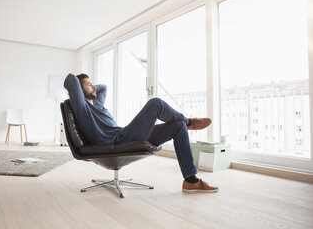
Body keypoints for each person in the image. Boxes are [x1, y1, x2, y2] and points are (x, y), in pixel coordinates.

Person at [64, 73, 218, 193]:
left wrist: (89, 86)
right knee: (156, 103)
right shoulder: (82, 109)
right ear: (79, 90)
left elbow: (103, 87)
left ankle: (191, 181)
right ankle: (189, 122)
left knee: (178, 126)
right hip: (118, 141)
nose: (94, 87)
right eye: (88, 85)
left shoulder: (97, 103)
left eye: (92, 84)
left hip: (124, 134)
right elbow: (70, 79)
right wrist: (81, 85)